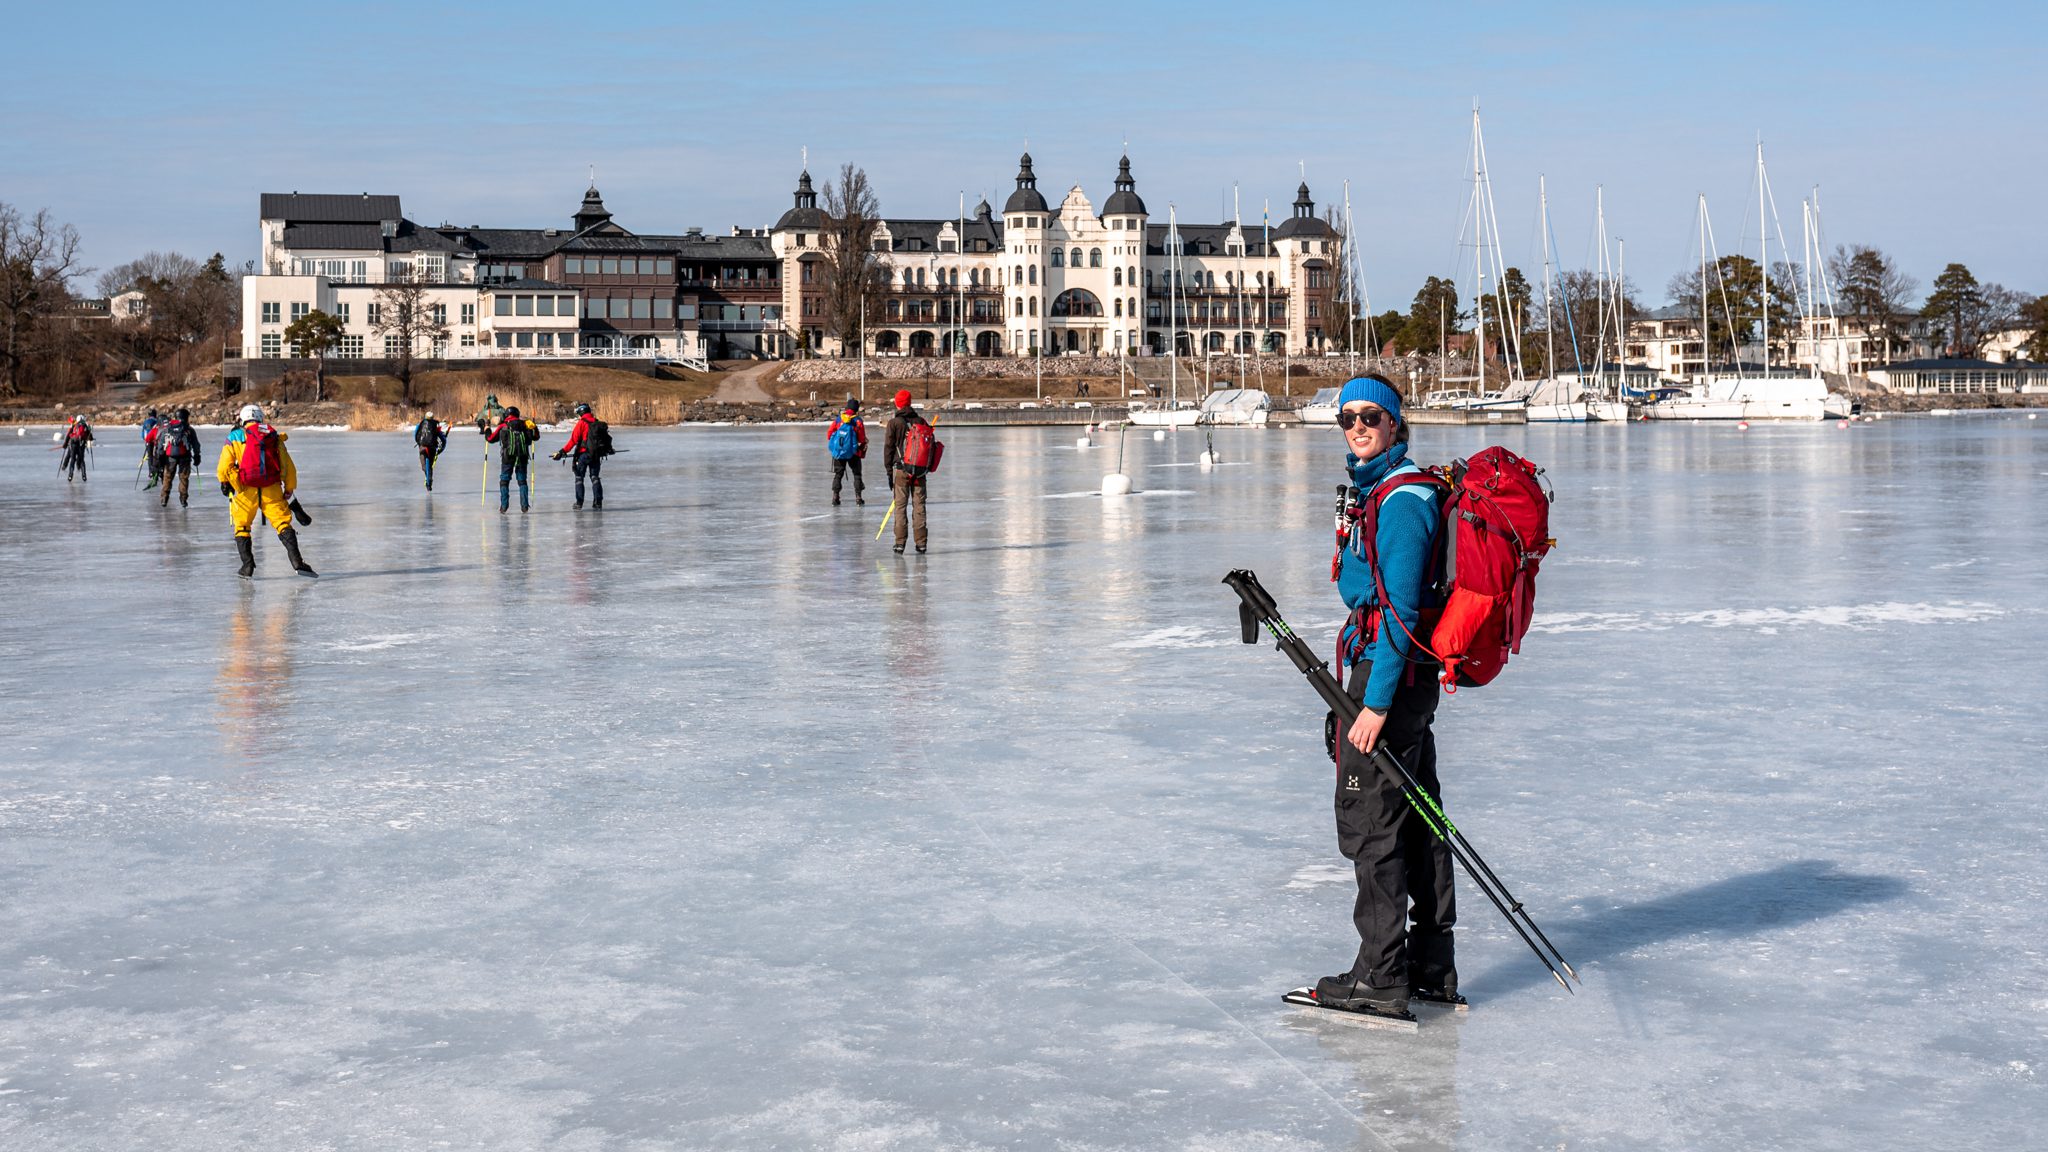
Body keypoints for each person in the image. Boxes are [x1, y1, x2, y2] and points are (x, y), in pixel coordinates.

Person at [1314, 374, 1454, 1019]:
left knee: (1372, 824)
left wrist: (1371, 704)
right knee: (1418, 815)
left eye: (1372, 415)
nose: (1359, 426)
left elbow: (1398, 611)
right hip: (1396, 677)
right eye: (1347, 418)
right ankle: (1430, 965)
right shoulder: (1382, 492)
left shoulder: (1401, 500)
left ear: (1396, 423)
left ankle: (1381, 972)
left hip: (1387, 677)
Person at [216, 403, 315, 578]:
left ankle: (247, 567)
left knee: (242, 526)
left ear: (242, 419)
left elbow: (224, 467)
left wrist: (229, 482)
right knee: (282, 523)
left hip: (246, 489)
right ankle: (297, 562)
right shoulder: (272, 435)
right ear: (260, 418)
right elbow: (288, 465)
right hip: (272, 487)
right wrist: (289, 487)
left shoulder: (235, 436)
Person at [881, 389, 930, 555]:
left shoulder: (894, 423)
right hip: (920, 472)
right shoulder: (921, 421)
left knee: (900, 507)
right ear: (909, 402)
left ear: (897, 403)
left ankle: (900, 543)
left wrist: (889, 471)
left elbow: (888, 448)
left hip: (901, 471)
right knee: (919, 506)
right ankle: (921, 543)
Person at [551, 402, 607, 510]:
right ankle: (598, 502)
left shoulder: (582, 423)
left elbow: (573, 440)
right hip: (596, 455)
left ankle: (579, 502)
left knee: (579, 478)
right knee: (595, 477)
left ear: (581, 412)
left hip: (583, 455)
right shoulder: (597, 422)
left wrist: (562, 451)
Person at [485, 404, 538, 513]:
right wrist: (534, 426)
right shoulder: (525, 424)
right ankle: (524, 506)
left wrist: (487, 429)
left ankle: (504, 506)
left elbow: (490, 439)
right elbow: (535, 437)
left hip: (507, 457)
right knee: (522, 481)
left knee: (504, 481)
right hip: (522, 456)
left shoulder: (503, 425)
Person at [826, 396, 868, 506]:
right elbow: (862, 438)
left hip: (839, 452)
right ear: (856, 409)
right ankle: (858, 498)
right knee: (857, 474)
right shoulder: (858, 421)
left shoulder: (839, 419)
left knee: (838, 474)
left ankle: (835, 497)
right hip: (854, 452)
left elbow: (829, 434)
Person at [156, 407, 202, 508]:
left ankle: (164, 498)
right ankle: (183, 499)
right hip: (185, 457)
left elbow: (161, 443)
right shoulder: (189, 429)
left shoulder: (167, 428)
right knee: (184, 478)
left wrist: (160, 456)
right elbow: (195, 444)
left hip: (170, 457)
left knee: (167, 478)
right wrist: (197, 455)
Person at [413, 411, 448, 490]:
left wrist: (418, 443)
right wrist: (441, 449)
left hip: (422, 447)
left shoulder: (421, 424)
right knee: (430, 466)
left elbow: (415, 434)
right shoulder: (435, 426)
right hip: (432, 447)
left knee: (424, 466)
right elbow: (443, 439)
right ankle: (429, 482)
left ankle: (427, 477)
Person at [60, 415, 93, 481]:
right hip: (81, 444)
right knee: (81, 460)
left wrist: (65, 444)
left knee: (72, 459)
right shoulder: (85, 426)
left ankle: (70, 475)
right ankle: (84, 475)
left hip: (73, 444)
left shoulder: (74, 425)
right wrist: (89, 430)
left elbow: (68, 435)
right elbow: (90, 438)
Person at [141, 408, 163, 489]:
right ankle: (159, 471)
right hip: (156, 442)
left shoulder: (146, 422)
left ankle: (151, 472)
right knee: (156, 456)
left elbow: (142, 433)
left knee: (150, 457)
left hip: (148, 442)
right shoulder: (157, 421)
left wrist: (145, 440)